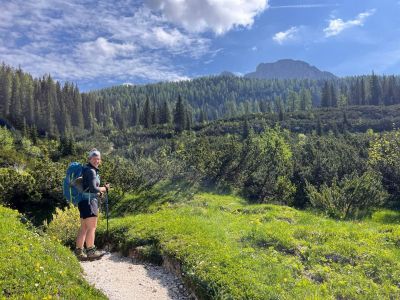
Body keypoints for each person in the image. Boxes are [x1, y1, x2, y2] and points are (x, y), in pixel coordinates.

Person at [74, 148, 110, 260]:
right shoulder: (92, 171)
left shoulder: (86, 169)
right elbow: (94, 188)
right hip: (90, 202)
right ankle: (91, 251)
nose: (96, 161)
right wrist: (105, 188)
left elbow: (88, 188)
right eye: (94, 159)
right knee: (92, 228)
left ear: (100, 160)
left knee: (84, 228)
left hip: (83, 201)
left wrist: (98, 193)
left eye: (98, 159)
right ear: (89, 159)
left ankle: (79, 252)